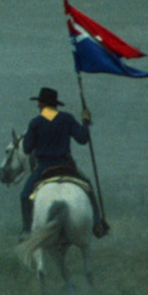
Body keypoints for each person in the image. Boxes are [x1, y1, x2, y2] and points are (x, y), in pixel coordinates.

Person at [20, 87, 93, 237]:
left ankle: (27, 229)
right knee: (89, 187)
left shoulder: (36, 122)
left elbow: (27, 149)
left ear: (43, 104)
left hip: (44, 166)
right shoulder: (67, 118)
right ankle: (98, 222)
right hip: (65, 165)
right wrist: (86, 122)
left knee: (25, 195)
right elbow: (83, 139)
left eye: (39, 103)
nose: (37, 106)